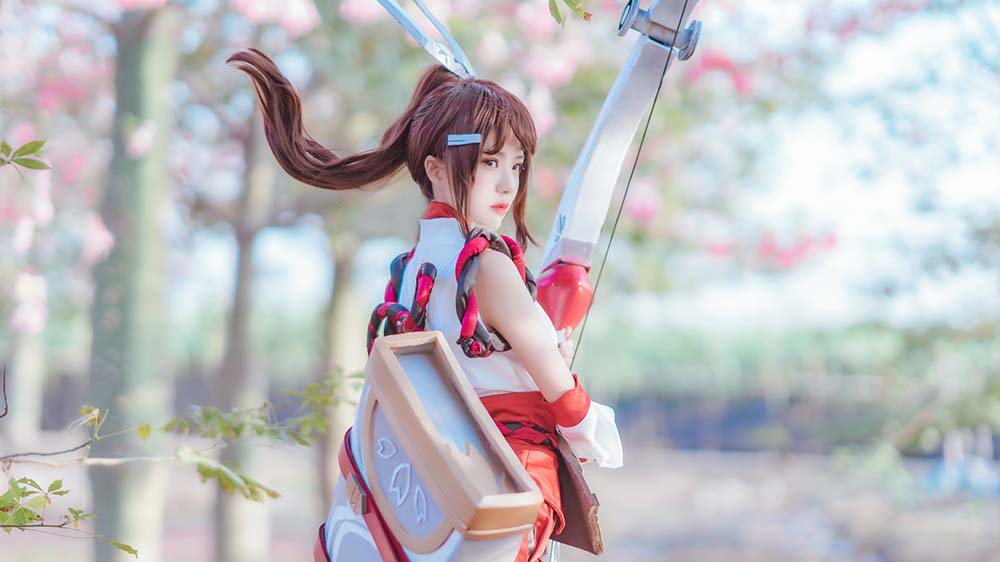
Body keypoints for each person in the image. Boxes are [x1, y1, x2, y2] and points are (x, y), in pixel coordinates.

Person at [229, 48, 623, 562]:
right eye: (489, 162)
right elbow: (558, 388)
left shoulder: (411, 266)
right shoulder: (487, 264)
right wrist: (593, 431)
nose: (508, 184)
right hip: (498, 484)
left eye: (517, 164)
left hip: (430, 495)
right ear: (435, 169)